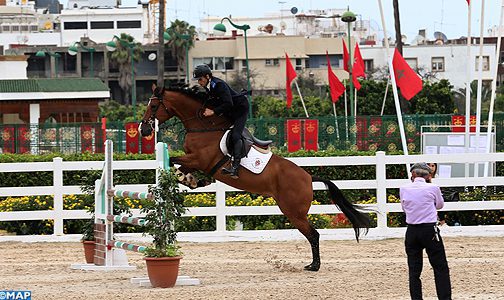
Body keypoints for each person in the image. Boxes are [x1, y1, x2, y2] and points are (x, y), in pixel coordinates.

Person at [400, 162, 452, 300]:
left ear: (413, 174)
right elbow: (440, 205)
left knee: (414, 270)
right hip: (429, 230)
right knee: (440, 267)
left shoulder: (404, 188)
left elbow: (404, 208)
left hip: (412, 231)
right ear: (428, 175)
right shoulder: (433, 187)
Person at [193, 64, 249, 179]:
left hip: (240, 110)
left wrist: (213, 112)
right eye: (198, 79)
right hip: (229, 111)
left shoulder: (219, 85)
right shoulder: (209, 87)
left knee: (235, 136)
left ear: (207, 76)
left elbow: (228, 103)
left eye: (200, 79)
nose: (199, 82)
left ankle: (235, 167)